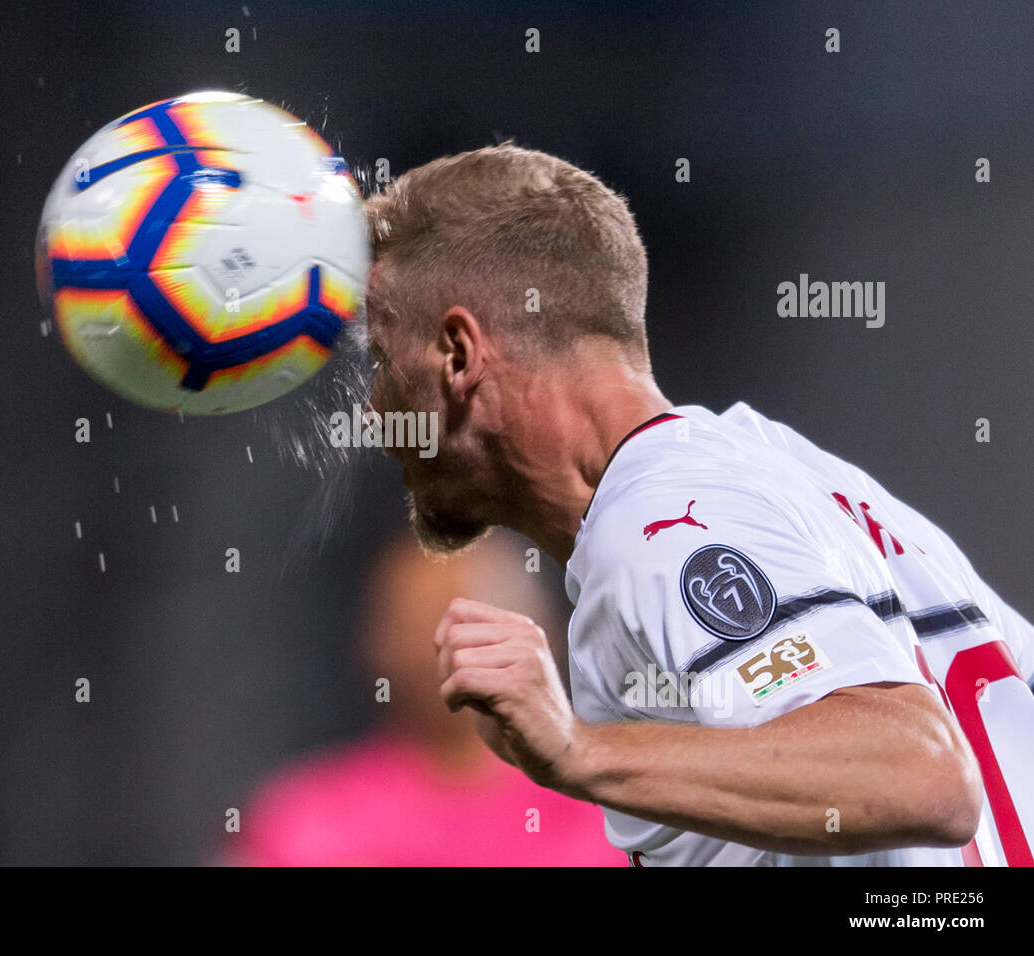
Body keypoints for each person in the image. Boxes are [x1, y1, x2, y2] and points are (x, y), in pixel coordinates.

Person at [360, 142, 1034, 866]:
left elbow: (924, 779)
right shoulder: (779, 474)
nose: (373, 412)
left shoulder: (661, 519)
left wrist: (577, 751)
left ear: (459, 354)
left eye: (379, 358)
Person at [227, 532, 628, 866]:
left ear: (543, 637)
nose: (436, 648)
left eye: (467, 624)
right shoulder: (303, 820)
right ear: (371, 642)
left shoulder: (615, 818)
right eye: (409, 625)